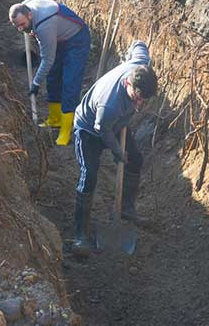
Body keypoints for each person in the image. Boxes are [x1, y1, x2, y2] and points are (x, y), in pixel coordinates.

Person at [70, 40, 157, 257]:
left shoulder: (139, 66)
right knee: (89, 175)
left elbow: (139, 45)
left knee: (135, 159)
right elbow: (102, 130)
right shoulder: (110, 104)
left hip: (116, 124)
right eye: (136, 99)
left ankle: (126, 209)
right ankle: (80, 234)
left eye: (143, 101)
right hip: (91, 129)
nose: (139, 105)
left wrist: (138, 43)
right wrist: (117, 150)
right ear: (128, 84)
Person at [9, 0, 91, 146]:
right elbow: (49, 64)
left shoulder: (44, 27)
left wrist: (35, 83)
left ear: (29, 15)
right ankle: (55, 119)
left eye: (22, 25)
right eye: (17, 26)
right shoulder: (25, 6)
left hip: (77, 39)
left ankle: (66, 130)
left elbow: (47, 60)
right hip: (59, 38)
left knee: (69, 82)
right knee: (53, 77)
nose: (21, 29)